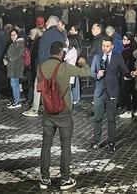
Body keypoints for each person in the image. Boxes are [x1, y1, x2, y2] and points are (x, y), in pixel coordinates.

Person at [38, 41, 91, 191]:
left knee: (46, 145)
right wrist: (83, 63)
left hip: (47, 111)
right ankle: (65, 179)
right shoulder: (65, 67)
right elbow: (86, 73)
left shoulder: (41, 67)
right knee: (65, 146)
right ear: (61, 53)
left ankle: (45, 178)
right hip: (64, 110)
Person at [90, 36, 137, 150]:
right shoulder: (97, 58)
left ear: (112, 46)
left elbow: (125, 72)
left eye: (107, 46)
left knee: (111, 119)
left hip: (112, 92)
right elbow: (91, 73)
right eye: (103, 46)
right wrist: (97, 75)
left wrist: (132, 73)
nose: (105, 48)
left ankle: (111, 142)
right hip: (99, 92)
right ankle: (95, 141)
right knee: (97, 118)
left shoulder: (118, 58)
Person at [3, 28, 25, 108]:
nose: (12, 36)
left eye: (14, 35)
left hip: (16, 66)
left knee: (14, 83)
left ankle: (17, 101)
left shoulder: (19, 44)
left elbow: (17, 54)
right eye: (11, 35)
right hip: (12, 66)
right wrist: (5, 58)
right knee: (14, 83)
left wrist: (8, 59)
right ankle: (16, 99)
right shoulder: (14, 43)